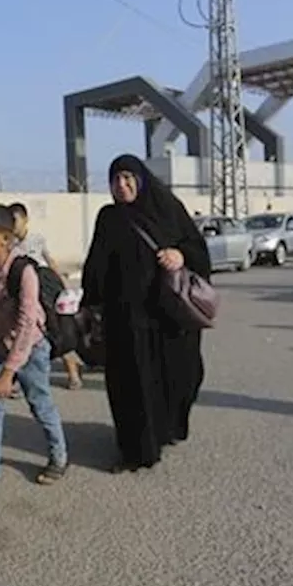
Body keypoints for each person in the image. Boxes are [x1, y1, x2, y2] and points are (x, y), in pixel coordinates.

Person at [81, 155, 211, 473]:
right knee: (130, 385)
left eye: (128, 178)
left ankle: (166, 428)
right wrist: (89, 302)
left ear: (141, 180)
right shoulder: (109, 217)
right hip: (125, 320)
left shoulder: (167, 210)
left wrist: (180, 255)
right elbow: (96, 265)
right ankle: (136, 451)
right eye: (115, 180)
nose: (121, 186)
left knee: (180, 377)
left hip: (168, 319)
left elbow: (198, 250)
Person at [0, 204, 69, 507]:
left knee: (40, 404)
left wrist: (9, 372)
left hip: (30, 349)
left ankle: (58, 456)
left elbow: (25, 324)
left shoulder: (23, 271)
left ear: (6, 239)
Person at [8, 202, 84, 390]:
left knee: (58, 330)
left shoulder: (36, 239)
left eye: (15, 220)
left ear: (25, 220)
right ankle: (15, 380)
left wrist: (63, 284)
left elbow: (50, 260)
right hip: (25, 293)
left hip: (47, 290)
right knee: (24, 334)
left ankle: (73, 374)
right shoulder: (9, 245)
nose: (13, 225)